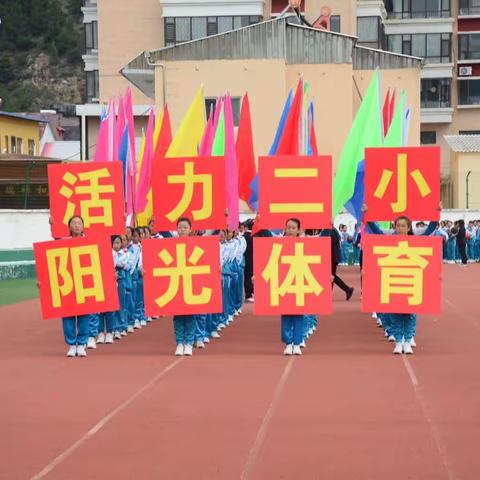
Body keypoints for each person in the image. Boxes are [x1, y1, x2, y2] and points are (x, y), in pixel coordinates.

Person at [365, 206, 438, 355]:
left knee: (410, 314)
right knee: (396, 313)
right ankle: (399, 341)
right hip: (394, 280)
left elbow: (429, 230)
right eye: (398, 225)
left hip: (411, 281)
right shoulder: (389, 240)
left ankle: (408, 340)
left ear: (409, 227)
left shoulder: (415, 240)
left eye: (403, 226)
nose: (400, 228)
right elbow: (376, 231)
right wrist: (367, 214)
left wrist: (436, 213)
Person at [46, 215, 91, 357]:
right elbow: (53, 251)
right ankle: (72, 344)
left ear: (83, 226)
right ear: (69, 227)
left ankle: (82, 343)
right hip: (68, 282)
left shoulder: (89, 241)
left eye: (79, 223)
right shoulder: (63, 242)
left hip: (84, 282)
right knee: (68, 314)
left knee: (84, 313)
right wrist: (52, 225)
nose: (77, 225)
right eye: (74, 223)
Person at [280, 218, 305, 356]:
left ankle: (297, 343)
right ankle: (288, 343)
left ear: (298, 230)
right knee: (286, 314)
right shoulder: (278, 244)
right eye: (288, 227)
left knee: (298, 315)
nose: (289, 230)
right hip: (284, 283)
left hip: (299, 283)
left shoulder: (304, 244)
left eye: (293, 228)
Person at [173, 217, 196, 356]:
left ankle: (189, 343)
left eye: (185, 227)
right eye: (180, 227)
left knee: (190, 315)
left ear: (190, 230)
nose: (182, 230)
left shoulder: (195, 245)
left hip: (190, 283)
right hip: (176, 283)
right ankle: (179, 343)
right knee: (178, 316)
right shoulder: (171, 245)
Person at [320, 226, 354, 301]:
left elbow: (328, 243)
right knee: (331, 276)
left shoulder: (331, 230)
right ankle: (347, 289)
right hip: (333, 257)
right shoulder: (331, 230)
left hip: (333, 257)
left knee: (331, 276)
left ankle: (346, 289)